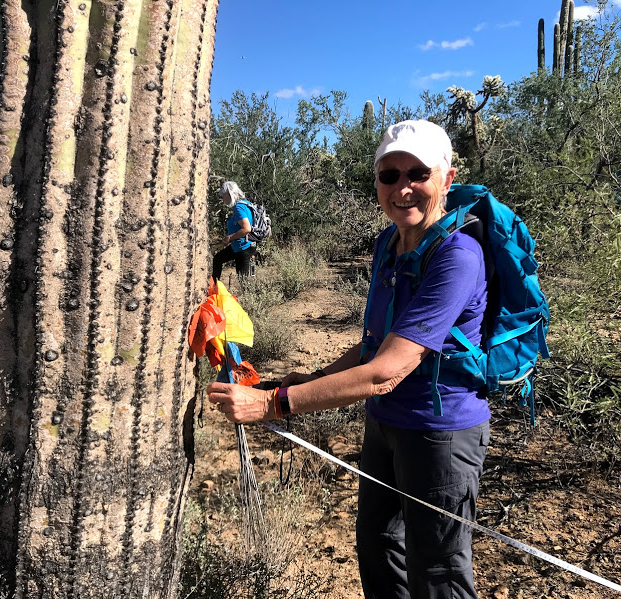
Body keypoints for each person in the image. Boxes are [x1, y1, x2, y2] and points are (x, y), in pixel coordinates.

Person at [207, 120, 490, 599]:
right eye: (389, 175)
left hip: (440, 434)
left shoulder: (457, 256)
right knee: (378, 547)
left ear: (446, 177)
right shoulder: (387, 245)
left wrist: (273, 405)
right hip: (383, 424)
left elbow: (387, 370)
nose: (402, 188)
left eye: (417, 173)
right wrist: (314, 377)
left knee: (437, 570)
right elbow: (372, 345)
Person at [213, 181, 256, 280]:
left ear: (229, 194)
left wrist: (230, 237)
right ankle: (215, 289)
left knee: (244, 281)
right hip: (246, 245)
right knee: (218, 259)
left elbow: (246, 228)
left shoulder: (238, 207)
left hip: (243, 247)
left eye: (223, 196)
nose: (223, 199)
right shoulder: (246, 203)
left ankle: (215, 290)